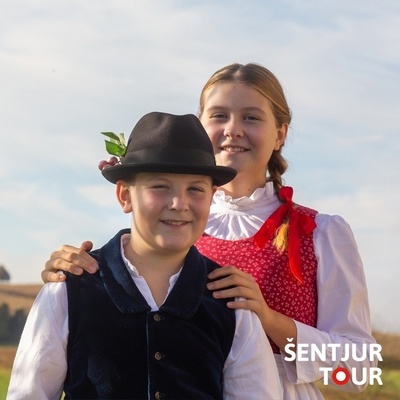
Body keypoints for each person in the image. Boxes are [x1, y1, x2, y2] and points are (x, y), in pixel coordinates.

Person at [41, 63, 377, 399]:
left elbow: (360, 369)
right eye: (219, 116)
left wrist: (269, 320)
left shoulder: (320, 233)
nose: (233, 129)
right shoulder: (175, 221)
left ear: (280, 134)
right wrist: (70, 276)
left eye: (251, 117)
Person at [7, 112, 282, 400]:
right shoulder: (69, 290)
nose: (179, 203)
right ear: (125, 195)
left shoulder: (230, 303)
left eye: (195, 189)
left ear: (212, 197)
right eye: (160, 187)